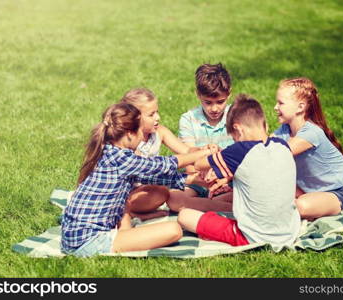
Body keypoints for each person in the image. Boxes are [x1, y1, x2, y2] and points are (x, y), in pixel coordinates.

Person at [61, 102, 215, 257]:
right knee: (174, 230)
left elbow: (155, 178)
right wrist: (203, 153)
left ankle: (127, 234)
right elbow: (163, 165)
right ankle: (125, 237)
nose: (143, 137)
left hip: (75, 236)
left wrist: (196, 179)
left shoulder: (111, 152)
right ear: (129, 133)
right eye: (140, 131)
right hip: (88, 241)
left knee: (129, 206)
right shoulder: (122, 159)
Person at [177, 94, 300, 251]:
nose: (235, 141)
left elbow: (199, 164)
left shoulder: (240, 150)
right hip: (289, 231)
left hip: (252, 236)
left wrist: (211, 151)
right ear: (265, 125)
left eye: (233, 138)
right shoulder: (283, 146)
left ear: (238, 129)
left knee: (185, 216)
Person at [120, 88, 231, 214]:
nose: (158, 117)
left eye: (157, 112)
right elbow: (146, 175)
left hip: (156, 185)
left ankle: (225, 207)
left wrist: (204, 149)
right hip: (132, 194)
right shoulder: (127, 141)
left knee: (174, 197)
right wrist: (192, 177)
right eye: (151, 114)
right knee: (161, 193)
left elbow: (186, 151)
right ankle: (130, 213)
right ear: (134, 118)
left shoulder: (159, 132)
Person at [273, 77, 343, 220]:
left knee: (298, 207)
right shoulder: (284, 130)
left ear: (300, 107)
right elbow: (261, 149)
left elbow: (276, 154)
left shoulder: (311, 133)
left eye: (280, 103)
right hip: (308, 192)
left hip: (340, 192)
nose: (275, 107)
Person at [168, 63, 235, 211]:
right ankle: (215, 206)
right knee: (173, 198)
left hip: (230, 179)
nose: (214, 108)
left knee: (243, 194)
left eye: (220, 102)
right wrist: (204, 178)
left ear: (229, 94)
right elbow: (188, 161)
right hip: (197, 179)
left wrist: (224, 178)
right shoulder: (189, 119)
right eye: (208, 102)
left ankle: (210, 207)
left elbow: (244, 155)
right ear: (198, 95)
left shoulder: (236, 116)